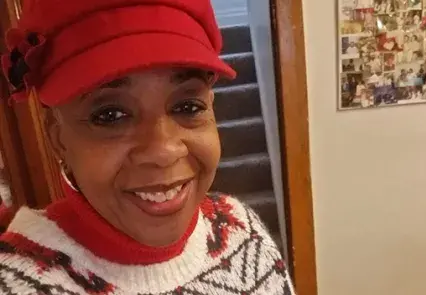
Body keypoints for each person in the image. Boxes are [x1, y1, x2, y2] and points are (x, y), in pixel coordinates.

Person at [0, 0, 294, 294]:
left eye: (188, 106)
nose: (163, 150)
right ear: (58, 139)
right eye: (110, 115)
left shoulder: (241, 230)